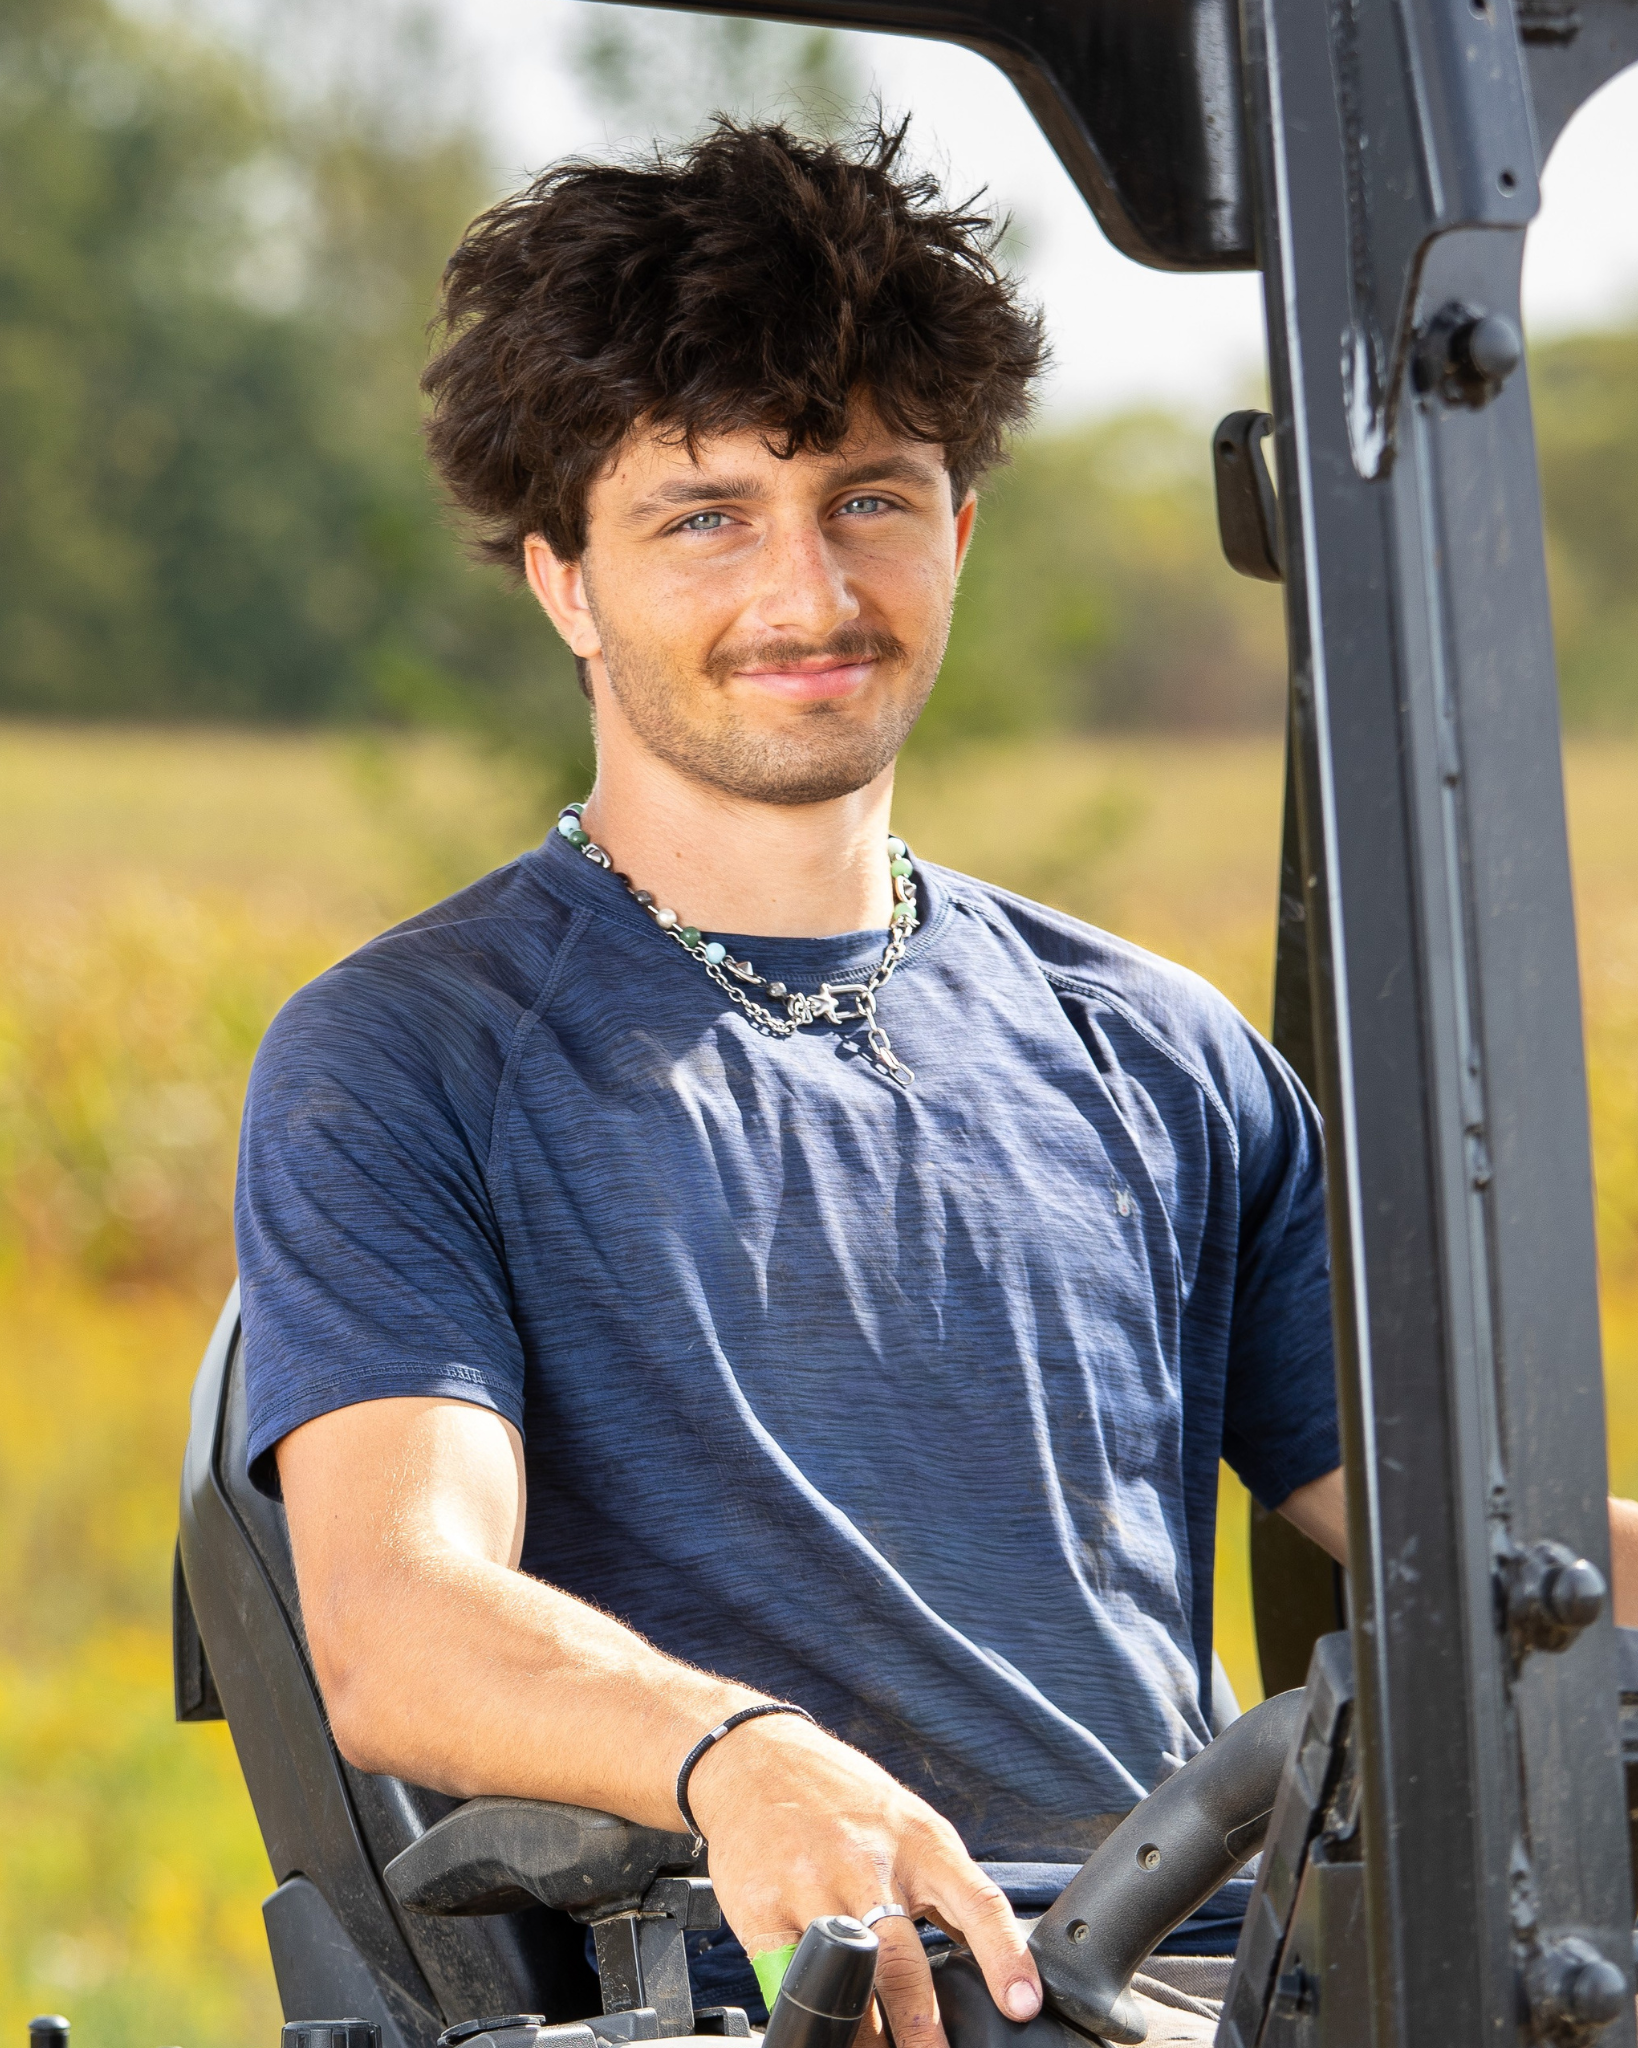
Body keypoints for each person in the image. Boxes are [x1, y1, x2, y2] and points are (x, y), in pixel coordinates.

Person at [232, 117, 1636, 2048]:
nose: (808, 596)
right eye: (705, 515)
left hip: (1210, 1984)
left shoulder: (1153, 1049)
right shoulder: (414, 1056)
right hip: (791, 1997)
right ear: (563, 578)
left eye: (869, 501)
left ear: (957, 530)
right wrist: (735, 1754)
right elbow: (397, 1619)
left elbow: (1493, 1550)